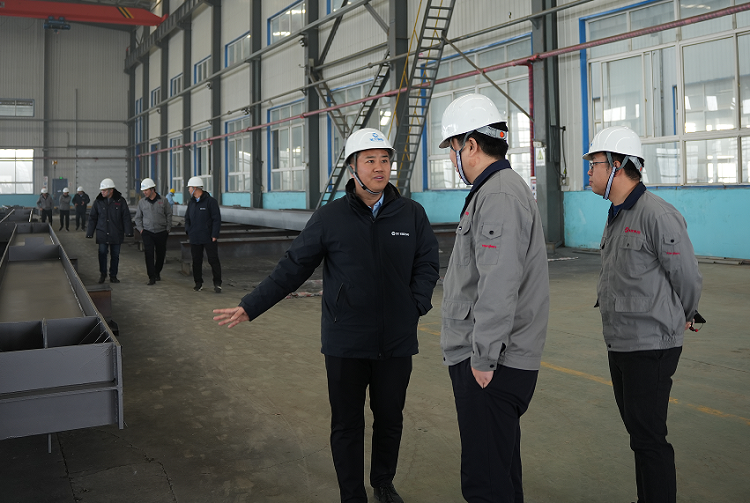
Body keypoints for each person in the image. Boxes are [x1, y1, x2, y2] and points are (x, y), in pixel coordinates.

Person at [213, 128, 440, 503]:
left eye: (385, 160)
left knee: (390, 418)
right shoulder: (330, 217)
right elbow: (293, 267)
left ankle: (383, 482)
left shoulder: (411, 214)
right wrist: (252, 305)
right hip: (345, 340)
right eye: (370, 160)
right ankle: (352, 495)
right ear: (353, 168)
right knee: (347, 423)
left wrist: (415, 304)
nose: (379, 168)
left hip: (396, 340)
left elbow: (427, 262)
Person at [438, 94, 549, 503]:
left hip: (491, 362)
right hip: (492, 356)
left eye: (452, 148)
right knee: (499, 470)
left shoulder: (499, 195)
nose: (453, 159)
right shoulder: (495, 190)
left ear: (470, 145)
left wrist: (483, 358)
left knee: (485, 482)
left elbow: (498, 282)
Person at [583, 126, 702, 503]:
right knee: (639, 434)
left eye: (594, 164)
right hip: (620, 342)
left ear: (617, 165)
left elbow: (686, 274)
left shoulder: (657, 214)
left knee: (649, 438)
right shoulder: (617, 215)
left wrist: (687, 312)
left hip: (650, 345)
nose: (589, 171)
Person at [86, 178, 133, 284]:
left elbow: (126, 216)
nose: (102, 192)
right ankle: (103, 274)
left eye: (104, 190)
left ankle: (113, 275)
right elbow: (92, 217)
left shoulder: (120, 201)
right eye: (101, 190)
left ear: (111, 190)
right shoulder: (98, 202)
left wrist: (128, 232)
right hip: (102, 233)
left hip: (116, 233)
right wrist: (90, 232)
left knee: (115, 255)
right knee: (102, 253)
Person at [184, 176, 222, 293]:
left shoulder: (211, 202)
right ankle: (198, 283)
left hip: (208, 237)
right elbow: (187, 218)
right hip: (195, 237)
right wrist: (188, 231)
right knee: (196, 260)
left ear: (195, 188)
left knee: (213, 260)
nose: (189, 190)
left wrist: (214, 234)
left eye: (190, 188)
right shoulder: (191, 203)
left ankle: (217, 283)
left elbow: (216, 219)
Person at [134, 178, 172, 285]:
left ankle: (157, 272)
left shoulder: (163, 200)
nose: (144, 192)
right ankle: (151, 277)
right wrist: (141, 230)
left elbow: (169, 214)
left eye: (146, 190)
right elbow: (138, 218)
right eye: (143, 190)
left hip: (161, 232)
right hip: (147, 232)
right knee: (149, 254)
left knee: (161, 254)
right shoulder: (142, 202)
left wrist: (168, 228)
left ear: (152, 189)